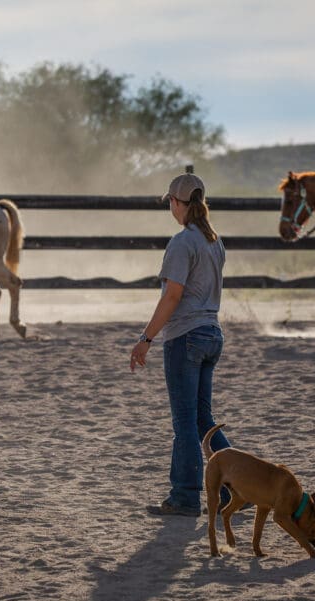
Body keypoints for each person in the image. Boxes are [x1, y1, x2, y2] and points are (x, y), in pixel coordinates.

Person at [130, 172, 231, 517]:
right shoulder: (214, 241)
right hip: (212, 334)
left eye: (170, 202)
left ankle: (185, 496)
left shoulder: (182, 242)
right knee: (203, 419)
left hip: (185, 336)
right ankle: (235, 487)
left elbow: (172, 296)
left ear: (177, 203)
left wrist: (146, 338)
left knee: (185, 421)